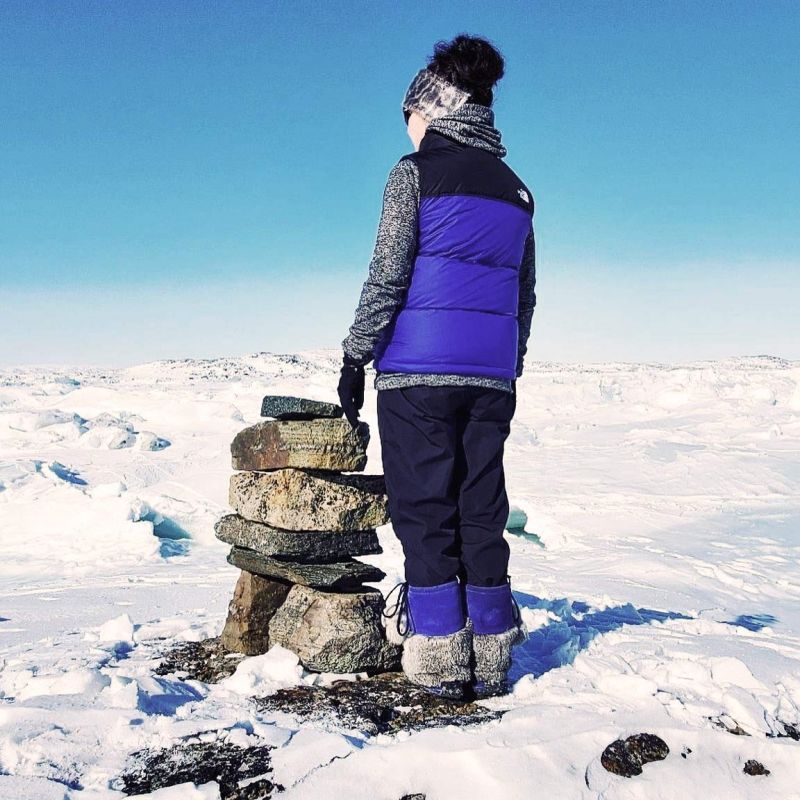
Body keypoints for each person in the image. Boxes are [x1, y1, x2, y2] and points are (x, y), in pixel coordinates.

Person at [337, 33, 536, 700]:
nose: (407, 128)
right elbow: (523, 292)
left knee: (424, 509)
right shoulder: (516, 190)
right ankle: (491, 650)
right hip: (490, 374)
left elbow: (388, 273)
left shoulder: (413, 173)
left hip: (417, 372)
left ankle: (441, 660)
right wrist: (510, 362)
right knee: (480, 506)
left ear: (432, 111)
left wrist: (354, 352)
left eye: (409, 116)